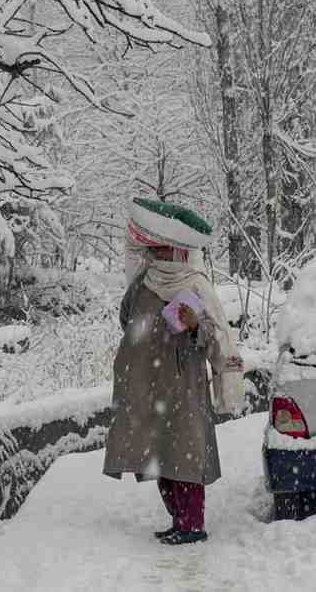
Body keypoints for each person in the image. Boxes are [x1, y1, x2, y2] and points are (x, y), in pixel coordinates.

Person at [102, 198, 231, 545]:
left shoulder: (195, 285)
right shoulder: (145, 281)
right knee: (160, 455)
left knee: (185, 457)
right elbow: (127, 318)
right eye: (153, 249)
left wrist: (193, 327)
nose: (156, 255)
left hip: (185, 386)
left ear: (178, 251)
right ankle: (178, 520)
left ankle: (192, 525)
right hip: (151, 383)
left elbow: (215, 336)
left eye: (161, 249)